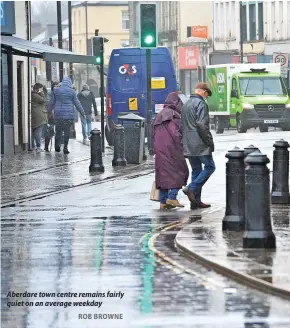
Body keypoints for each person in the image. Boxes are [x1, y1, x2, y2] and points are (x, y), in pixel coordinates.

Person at [181, 82, 216, 209]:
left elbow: (182, 125)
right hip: (200, 143)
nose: (206, 97)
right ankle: (191, 188)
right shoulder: (201, 104)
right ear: (203, 91)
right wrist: (209, 141)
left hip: (188, 143)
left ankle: (195, 201)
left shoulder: (185, 104)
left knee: (196, 170)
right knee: (210, 166)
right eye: (206, 94)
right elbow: (202, 125)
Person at [153, 92, 189, 210]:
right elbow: (176, 133)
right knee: (181, 171)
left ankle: (163, 201)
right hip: (172, 149)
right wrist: (183, 144)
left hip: (160, 149)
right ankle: (172, 197)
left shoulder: (159, 115)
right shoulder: (174, 115)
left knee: (163, 175)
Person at [48, 76, 85, 154]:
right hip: (68, 116)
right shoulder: (72, 92)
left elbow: (51, 102)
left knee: (58, 131)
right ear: (70, 83)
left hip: (58, 115)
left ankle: (57, 146)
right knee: (67, 131)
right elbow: (77, 103)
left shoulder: (56, 91)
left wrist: (48, 111)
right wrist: (82, 113)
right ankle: (65, 147)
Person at [31, 83, 47, 151]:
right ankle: (38, 147)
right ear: (39, 89)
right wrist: (42, 93)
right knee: (38, 132)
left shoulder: (33, 95)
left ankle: (33, 145)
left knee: (34, 132)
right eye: (41, 89)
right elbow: (44, 100)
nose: (42, 90)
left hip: (35, 115)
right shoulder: (36, 95)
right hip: (38, 116)